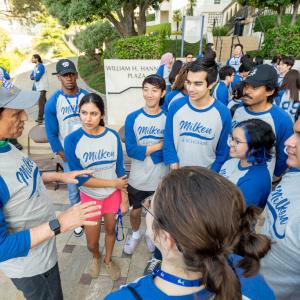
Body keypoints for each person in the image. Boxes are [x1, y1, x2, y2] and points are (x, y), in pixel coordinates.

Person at [106, 166, 275, 300]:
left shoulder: (124, 296)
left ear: (167, 238)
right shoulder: (250, 275)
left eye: (150, 205)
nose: (147, 206)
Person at [0, 76, 100, 300]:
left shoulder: (6, 145)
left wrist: (60, 176)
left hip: (44, 252)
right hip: (29, 268)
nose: (25, 117)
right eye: (16, 114)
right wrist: (61, 223)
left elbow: (23, 179)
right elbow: (1, 247)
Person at [64, 93, 128, 280]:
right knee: (91, 242)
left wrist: (124, 197)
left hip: (112, 196)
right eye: (84, 113)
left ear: (101, 115)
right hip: (90, 197)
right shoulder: (72, 140)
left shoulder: (112, 136)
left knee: (110, 231)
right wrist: (113, 183)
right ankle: (96, 256)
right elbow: (81, 179)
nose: (88, 118)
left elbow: (119, 169)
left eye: (93, 113)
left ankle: (107, 259)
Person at [123, 75, 168, 256]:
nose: (149, 95)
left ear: (162, 93)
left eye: (154, 90)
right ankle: (135, 234)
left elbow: (170, 150)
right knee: (135, 212)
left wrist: (146, 150)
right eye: (146, 89)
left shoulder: (168, 118)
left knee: (156, 213)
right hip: (138, 178)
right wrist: (159, 145)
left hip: (160, 178)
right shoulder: (133, 117)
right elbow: (132, 151)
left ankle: (150, 234)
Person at [45, 58, 89, 237]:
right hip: (69, 154)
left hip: (88, 151)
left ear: (76, 75)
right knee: (73, 189)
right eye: (65, 75)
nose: (69, 78)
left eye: (71, 74)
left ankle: (92, 211)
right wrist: (62, 153)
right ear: (59, 78)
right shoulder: (53, 102)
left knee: (91, 184)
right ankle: (78, 219)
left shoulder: (86, 96)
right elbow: (51, 131)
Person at [163, 58, 232, 172]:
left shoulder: (223, 113)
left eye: (198, 84)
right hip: (177, 175)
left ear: (211, 84)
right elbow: (168, 139)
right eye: (188, 82)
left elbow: (223, 152)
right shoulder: (176, 106)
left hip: (207, 180)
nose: (190, 88)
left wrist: (210, 176)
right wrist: (174, 168)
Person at [260, 110, 300, 299]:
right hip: (253, 279)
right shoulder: (294, 172)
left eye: (299, 136)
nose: (288, 142)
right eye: (294, 133)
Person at [232, 64, 293, 179]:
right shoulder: (238, 109)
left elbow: (284, 154)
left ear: (269, 91)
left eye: (254, 87)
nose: (246, 91)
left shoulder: (281, 119)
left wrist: (273, 176)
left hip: (256, 183)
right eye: (246, 85)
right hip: (230, 175)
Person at [220, 119, 274, 208]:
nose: (231, 143)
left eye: (237, 141)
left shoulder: (255, 182)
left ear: (255, 146)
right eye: (232, 138)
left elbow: (236, 217)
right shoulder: (232, 161)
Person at [30, 54, 49, 124]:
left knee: (41, 104)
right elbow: (30, 76)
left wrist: (34, 77)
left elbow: (37, 78)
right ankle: (50, 115)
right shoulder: (36, 67)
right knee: (46, 104)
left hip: (42, 87)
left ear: (37, 59)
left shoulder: (41, 66)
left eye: (32, 58)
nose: (31, 60)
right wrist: (34, 77)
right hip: (39, 88)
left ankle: (40, 118)